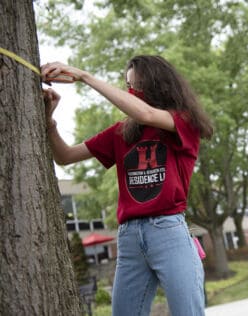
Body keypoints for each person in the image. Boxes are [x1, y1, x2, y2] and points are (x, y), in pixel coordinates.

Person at [41, 55, 213, 316]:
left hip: (168, 231)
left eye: (136, 85)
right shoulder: (121, 132)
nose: (130, 92)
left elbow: (144, 112)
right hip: (130, 237)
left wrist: (84, 76)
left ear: (158, 86)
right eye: (127, 85)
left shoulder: (183, 121)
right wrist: (49, 121)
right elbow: (65, 156)